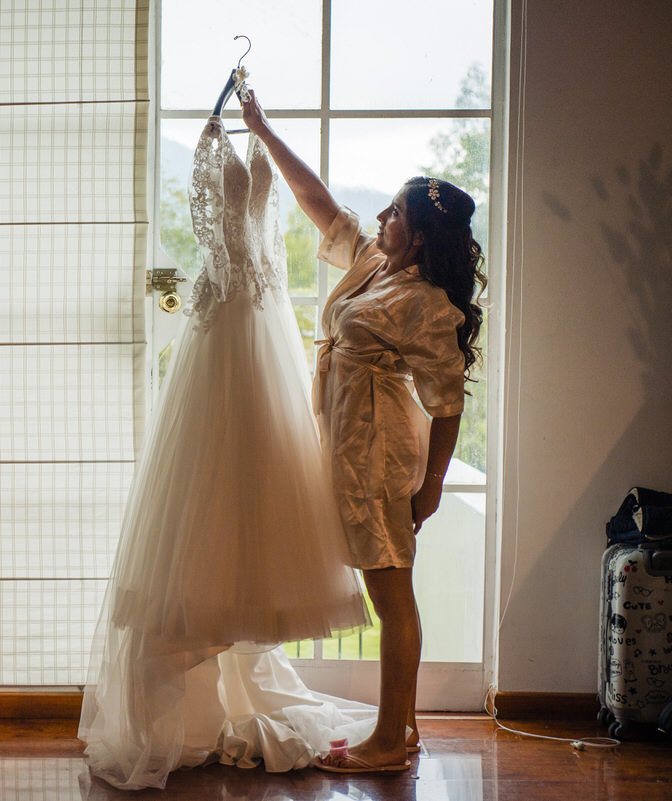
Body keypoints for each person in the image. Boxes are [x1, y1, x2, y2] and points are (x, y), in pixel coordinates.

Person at [79, 107, 374, 791]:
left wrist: (261, 127)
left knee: (256, 502)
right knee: (209, 501)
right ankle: (193, 714)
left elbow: (310, 205)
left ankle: (230, 695)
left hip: (264, 334)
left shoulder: (253, 151)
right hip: (223, 343)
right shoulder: (211, 146)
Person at [240, 91, 487, 774]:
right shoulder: (376, 264)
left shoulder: (426, 303)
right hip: (350, 442)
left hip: (379, 454)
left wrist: (432, 484)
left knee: (391, 590)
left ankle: (388, 740)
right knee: (389, 588)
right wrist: (263, 131)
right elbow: (318, 202)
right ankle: (400, 729)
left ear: (422, 235)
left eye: (396, 214)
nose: (380, 217)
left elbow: (446, 404)